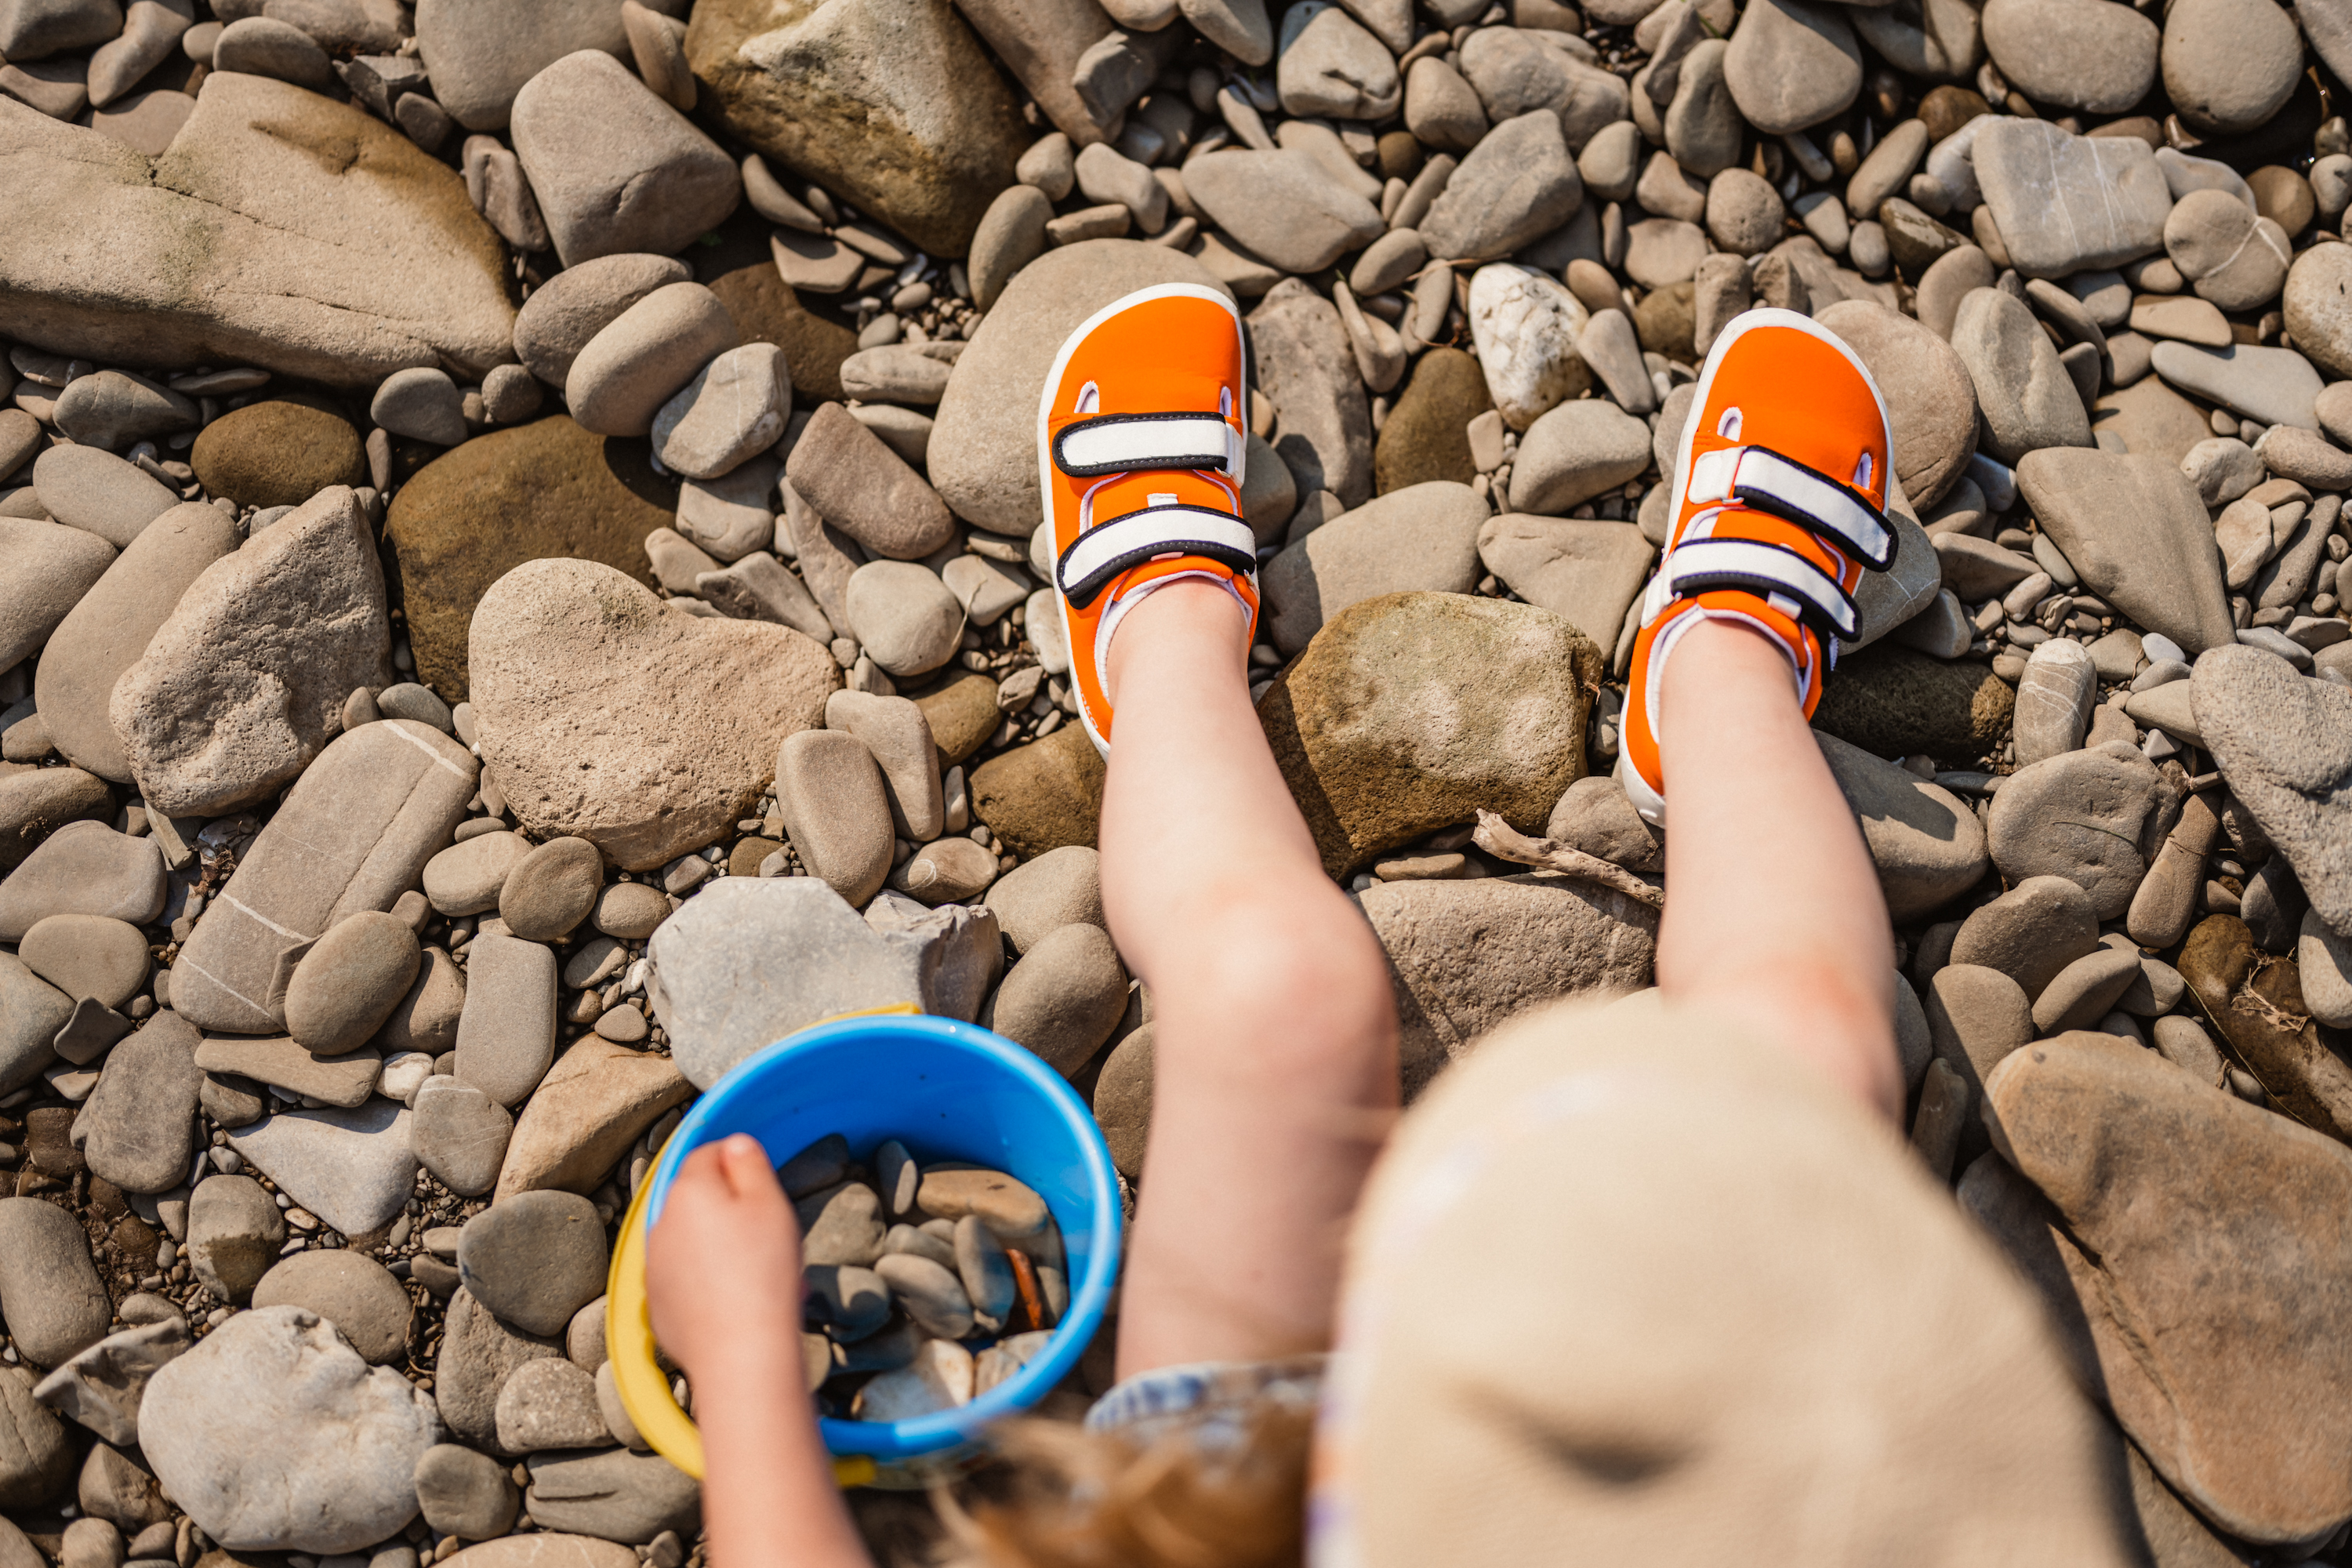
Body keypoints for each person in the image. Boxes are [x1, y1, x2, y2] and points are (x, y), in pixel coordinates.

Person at [644, 298, 2136, 1566]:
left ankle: (1161, 646)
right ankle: (1725, 669)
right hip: (1683, 1478)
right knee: (1809, 1045)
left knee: (1272, 993)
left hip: (1238, 1503)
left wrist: (751, 1376)